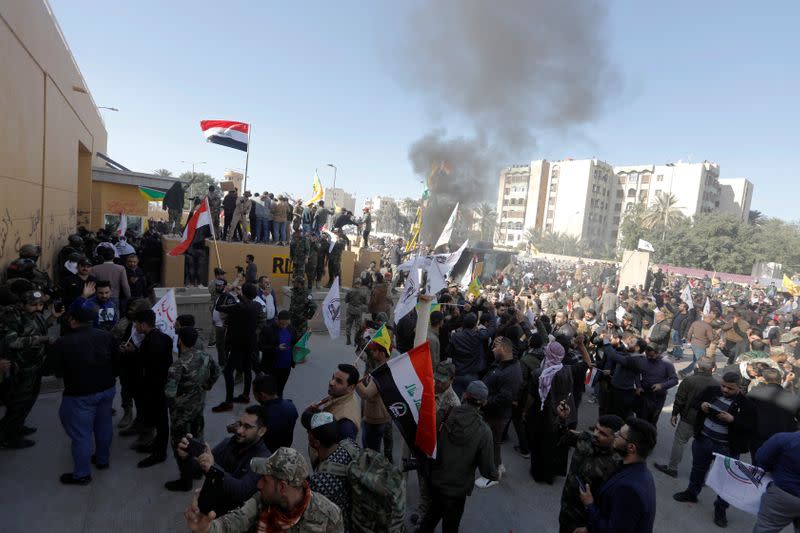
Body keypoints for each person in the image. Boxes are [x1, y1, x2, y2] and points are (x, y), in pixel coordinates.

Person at [183, 447, 343, 533]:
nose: (258, 484)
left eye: (265, 480)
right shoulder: (262, 500)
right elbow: (235, 522)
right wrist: (207, 529)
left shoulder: (330, 516)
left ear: (282, 487)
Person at [673, 371, 757, 528]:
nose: (725, 390)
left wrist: (733, 420)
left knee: (725, 480)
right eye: (723, 386)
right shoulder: (712, 391)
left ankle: (720, 509)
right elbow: (694, 402)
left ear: (739, 387)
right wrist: (702, 406)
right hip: (703, 440)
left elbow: (751, 428)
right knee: (698, 469)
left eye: (730, 388)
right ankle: (692, 493)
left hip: (726, 447)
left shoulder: (747, 405)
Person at [419, 381, 497, 533]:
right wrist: (496, 474)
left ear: (465, 395)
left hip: (436, 481)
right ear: (484, 403)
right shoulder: (484, 432)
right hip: (457, 491)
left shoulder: (445, 413)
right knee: (451, 527)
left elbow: (426, 439)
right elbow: (488, 471)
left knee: (429, 519)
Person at [51, 305, 117, 485]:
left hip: (79, 395)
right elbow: (116, 362)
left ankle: (82, 474)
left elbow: (56, 371)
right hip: (106, 390)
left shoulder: (63, 343)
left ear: (73, 321)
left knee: (81, 435)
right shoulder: (107, 336)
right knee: (104, 425)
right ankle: (102, 460)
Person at [178, 406, 272, 519]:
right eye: (240, 424)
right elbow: (197, 470)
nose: (239, 430)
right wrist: (185, 457)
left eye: (247, 427)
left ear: (261, 431)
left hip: (229, 521)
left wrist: (213, 468)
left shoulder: (263, 459)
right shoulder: (228, 443)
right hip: (205, 509)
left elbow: (242, 491)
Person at [0, 290, 61, 449]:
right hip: (22, 368)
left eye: (40, 304)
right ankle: (8, 436)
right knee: (18, 403)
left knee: (29, 400)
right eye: (33, 305)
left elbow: (38, 328)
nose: (37, 307)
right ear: (23, 304)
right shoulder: (13, 317)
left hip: (36, 365)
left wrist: (52, 317)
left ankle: (18, 426)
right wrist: (41, 339)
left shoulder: (36, 315)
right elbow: (12, 342)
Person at [164, 327, 222, 491]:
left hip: (180, 414)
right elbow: (217, 371)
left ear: (180, 341)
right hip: (198, 406)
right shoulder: (204, 356)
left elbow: (169, 392)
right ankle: (198, 469)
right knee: (197, 438)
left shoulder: (177, 365)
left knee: (180, 445)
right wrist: (206, 385)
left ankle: (185, 480)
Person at [578, 418, 658, 533]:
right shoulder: (640, 471)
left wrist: (589, 504)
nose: (615, 435)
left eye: (619, 434)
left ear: (631, 448)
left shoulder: (629, 489)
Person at [555, 408, 624, 533]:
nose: (596, 434)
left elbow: (611, 508)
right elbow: (563, 435)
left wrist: (590, 529)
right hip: (566, 510)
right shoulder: (585, 438)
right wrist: (562, 418)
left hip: (585, 522)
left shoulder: (617, 464)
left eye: (603, 433)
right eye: (596, 429)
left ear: (615, 437)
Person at [121, 309, 174, 468]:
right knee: (158, 419)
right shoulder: (161, 337)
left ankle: (160, 453)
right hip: (157, 386)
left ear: (143, 324)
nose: (135, 327)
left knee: (161, 420)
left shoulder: (152, 342)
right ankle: (156, 446)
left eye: (137, 324)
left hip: (155, 388)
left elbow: (150, 365)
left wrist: (134, 354)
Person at [654, 357, 719, 478]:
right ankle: (702, 476)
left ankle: (672, 468)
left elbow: (680, 399)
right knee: (703, 448)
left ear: (698, 367)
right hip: (706, 421)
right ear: (713, 369)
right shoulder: (717, 384)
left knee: (679, 441)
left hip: (688, 418)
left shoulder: (689, 380)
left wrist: (674, 414)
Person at [475, 336, 522, 489]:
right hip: (492, 412)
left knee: (492, 443)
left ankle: (492, 475)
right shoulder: (502, 362)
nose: (493, 349)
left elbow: (505, 398)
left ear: (502, 349)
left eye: (495, 347)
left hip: (497, 414)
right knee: (494, 443)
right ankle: (498, 465)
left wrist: (486, 402)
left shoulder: (512, 371)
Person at [527, 340, 575, 484]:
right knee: (554, 445)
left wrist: (525, 412)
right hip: (561, 414)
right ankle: (550, 475)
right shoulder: (567, 370)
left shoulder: (539, 373)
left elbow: (531, 397)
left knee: (540, 445)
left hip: (542, 415)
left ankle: (539, 474)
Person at [213, 283, 264, 411]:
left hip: (237, 344)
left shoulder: (237, 307)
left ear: (244, 293)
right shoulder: (257, 305)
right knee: (247, 368)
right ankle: (246, 395)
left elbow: (218, 307)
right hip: (250, 343)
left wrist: (225, 292)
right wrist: (240, 296)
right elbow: (247, 305)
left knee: (228, 371)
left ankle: (229, 401)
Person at [306, 412, 359, 531]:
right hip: (358, 514)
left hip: (342, 525)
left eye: (309, 432)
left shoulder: (319, 480)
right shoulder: (350, 445)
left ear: (316, 443)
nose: (307, 433)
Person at [752, 431, 800, 533]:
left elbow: (761, 457)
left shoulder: (785, 439)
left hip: (782, 494)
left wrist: (773, 467)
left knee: (765, 528)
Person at [747, 367, 800, 458]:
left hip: (759, 440)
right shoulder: (793, 398)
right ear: (781, 379)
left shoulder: (754, 393)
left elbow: (745, 414)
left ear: (764, 380)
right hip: (784, 442)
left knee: (758, 469)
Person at [355, 342, 393, 460]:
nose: (372, 352)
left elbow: (366, 394)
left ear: (382, 353)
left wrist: (355, 378)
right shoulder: (386, 367)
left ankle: (372, 473)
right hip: (383, 415)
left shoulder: (381, 373)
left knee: (371, 453)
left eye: (375, 350)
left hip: (375, 420)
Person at [447, 311, 497, 397]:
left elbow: (449, 352)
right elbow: (492, 329)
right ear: (475, 325)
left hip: (458, 373)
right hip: (472, 374)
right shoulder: (478, 335)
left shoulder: (455, 337)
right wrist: (492, 313)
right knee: (470, 400)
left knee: (455, 400)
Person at [253, 374, 299, 452]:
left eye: (254, 394)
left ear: (262, 395)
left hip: (267, 452)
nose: (254, 397)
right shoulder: (290, 405)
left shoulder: (262, 416)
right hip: (285, 449)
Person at [258, 310, 299, 397]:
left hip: (286, 366)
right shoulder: (268, 329)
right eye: (282, 324)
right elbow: (260, 346)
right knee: (270, 391)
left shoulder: (291, 328)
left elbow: (295, 342)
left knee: (280, 389)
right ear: (277, 320)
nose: (284, 326)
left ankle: (278, 404)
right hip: (272, 367)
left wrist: (306, 336)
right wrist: (276, 348)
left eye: (286, 324)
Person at [636, 344, 678, 424]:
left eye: (651, 356)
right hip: (644, 395)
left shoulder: (667, 363)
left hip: (658, 398)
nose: (649, 358)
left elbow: (674, 380)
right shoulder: (644, 360)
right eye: (647, 355)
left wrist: (661, 385)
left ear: (658, 353)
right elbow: (637, 374)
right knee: (640, 420)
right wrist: (638, 386)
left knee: (652, 421)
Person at [682, 311, 716, 377]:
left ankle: (689, 372)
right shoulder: (708, 326)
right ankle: (686, 372)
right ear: (707, 318)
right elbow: (711, 338)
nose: (712, 321)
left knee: (696, 361)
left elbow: (689, 333)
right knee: (700, 362)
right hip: (701, 346)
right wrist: (715, 335)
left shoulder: (695, 323)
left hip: (693, 344)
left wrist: (689, 341)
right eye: (711, 319)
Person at [344, 279, 369, 345]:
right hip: (358, 311)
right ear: (360, 284)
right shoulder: (362, 292)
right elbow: (366, 302)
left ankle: (348, 340)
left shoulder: (350, 291)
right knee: (357, 326)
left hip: (350, 310)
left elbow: (346, 300)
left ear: (354, 284)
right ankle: (356, 341)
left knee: (348, 325)